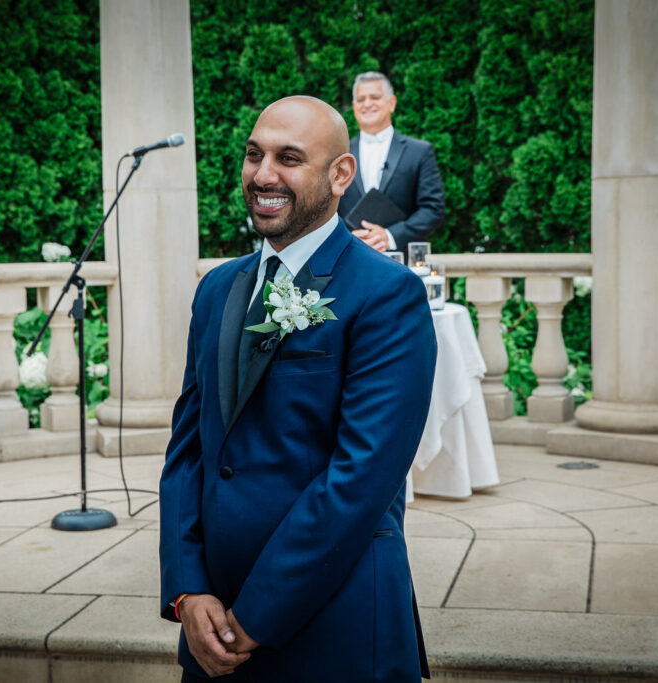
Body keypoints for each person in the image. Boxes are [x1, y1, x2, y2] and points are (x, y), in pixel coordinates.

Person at [159, 95, 438, 682]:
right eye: (253, 155)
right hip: (211, 625)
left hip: (335, 622)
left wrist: (255, 616)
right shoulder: (216, 289)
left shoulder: (388, 294)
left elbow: (361, 477)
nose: (263, 175)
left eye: (288, 159)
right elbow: (188, 451)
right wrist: (188, 589)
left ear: (340, 174)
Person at [339, 71, 445, 257]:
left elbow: (432, 208)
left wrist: (390, 236)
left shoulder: (419, 152)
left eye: (375, 97)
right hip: (348, 257)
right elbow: (326, 209)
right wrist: (345, 238)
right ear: (354, 107)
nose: (367, 104)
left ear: (392, 103)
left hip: (399, 259)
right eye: (361, 99)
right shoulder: (339, 155)